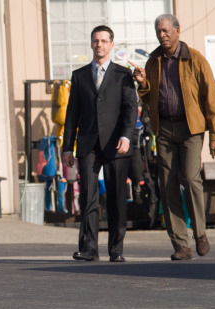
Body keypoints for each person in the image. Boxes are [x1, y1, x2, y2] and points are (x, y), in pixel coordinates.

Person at [130, 14, 215, 260]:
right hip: (164, 130)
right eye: (159, 31)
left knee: (191, 179)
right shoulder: (153, 61)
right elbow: (149, 99)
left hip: (191, 129)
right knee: (167, 184)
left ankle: (200, 233)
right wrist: (143, 84)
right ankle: (181, 244)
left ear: (178, 31)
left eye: (166, 30)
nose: (162, 35)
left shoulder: (195, 59)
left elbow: (210, 97)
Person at [62, 25, 138, 262]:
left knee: (116, 198)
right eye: (96, 41)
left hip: (117, 144)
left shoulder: (123, 74)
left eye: (104, 41)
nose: (99, 45)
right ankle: (88, 248)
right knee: (88, 196)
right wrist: (67, 146)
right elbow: (72, 113)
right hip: (88, 144)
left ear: (112, 44)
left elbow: (130, 109)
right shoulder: (80, 75)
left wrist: (127, 136)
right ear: (91, 43)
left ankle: (116, 250)